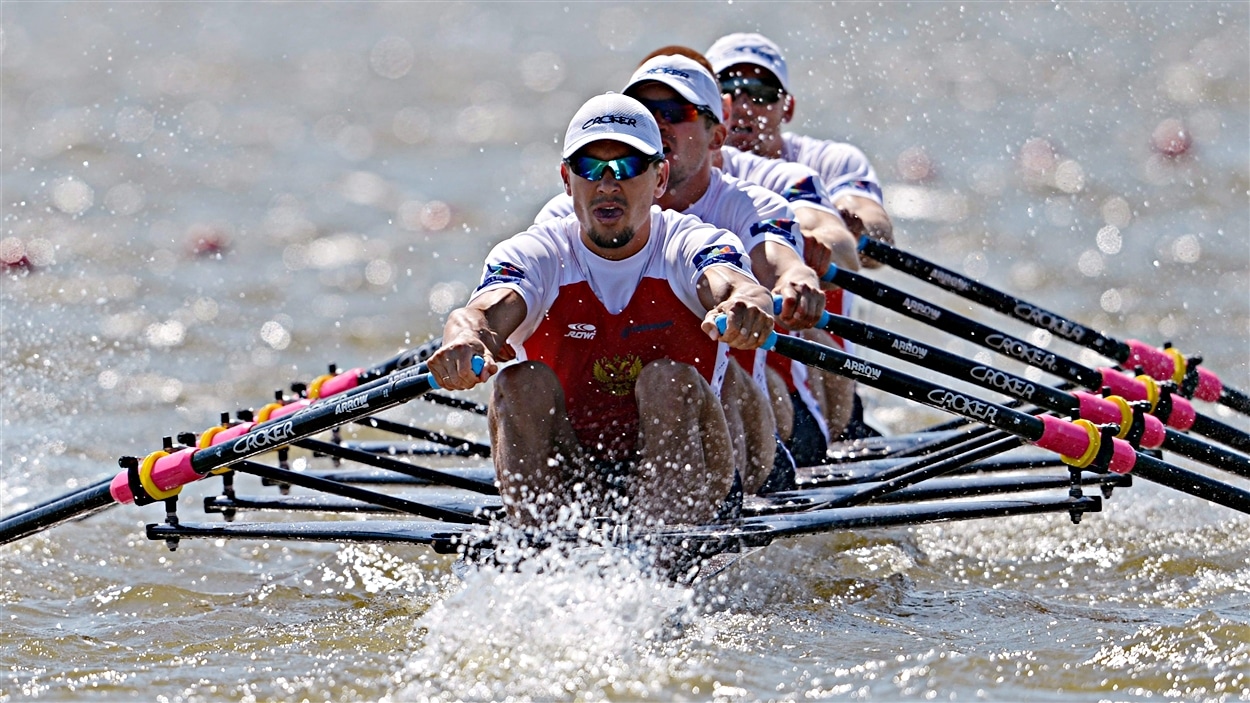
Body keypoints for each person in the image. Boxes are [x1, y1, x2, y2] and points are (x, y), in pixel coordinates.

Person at [428, 93, 777, 530]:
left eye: (627, 167)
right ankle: (545, 549)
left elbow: (736, 284)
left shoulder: (692, 242)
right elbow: (478, 313)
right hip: (574, 474)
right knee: (520, 381)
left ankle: (661, 555)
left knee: (666, 381)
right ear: (566, 179)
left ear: (660, 178)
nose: (607, 184)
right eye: (590, 168)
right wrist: (464, 339)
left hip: (690, 472)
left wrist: (747, 305)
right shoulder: (535, 254)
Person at [537, 54, 836, 475]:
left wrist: (796, 280)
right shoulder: (565, 215)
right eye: (645, 111)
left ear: (718, 134)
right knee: (523, 385)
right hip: (606, 418)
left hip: (729, 421)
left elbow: (780, 263)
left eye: (677, 113)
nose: (658, 124)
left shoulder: (752, 204)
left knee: (709, 374)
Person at [708, 32, 896, 438]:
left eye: (760, 93)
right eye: (728, 90)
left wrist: (853, 228)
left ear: (786, 106)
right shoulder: (675, 177)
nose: (743, 106)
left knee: (803, 326)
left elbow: (876, 241)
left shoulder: (827, 162)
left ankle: (832, 434)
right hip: (730, 362)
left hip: (816, 359)